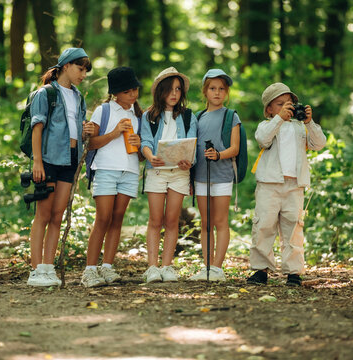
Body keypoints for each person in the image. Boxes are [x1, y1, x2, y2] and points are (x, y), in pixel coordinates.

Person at [27, 47, 95, 287]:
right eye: (80, 69)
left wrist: (86, 131)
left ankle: (48, 268)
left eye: (86, 71)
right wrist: (37, 161)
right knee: (43, 215)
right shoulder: (45, 94)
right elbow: (38, 128)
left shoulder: (78, 96)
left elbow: (76, 127)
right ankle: (35, 270)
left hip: (70, 160)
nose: (83, 75)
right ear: (65, 65)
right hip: (47, 160)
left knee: (57, 216)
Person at [247, 82, 326, 286]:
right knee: (263, 225)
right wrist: (278, 120)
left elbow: (319, 144)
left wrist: (309, 122)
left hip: (294, 185)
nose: (285, 108)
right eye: (279, 104)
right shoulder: (267, 125)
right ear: (269, 109)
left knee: (293, 228)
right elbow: (263, 140)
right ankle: (260, 270)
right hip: (269, 184)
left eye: (289, 104)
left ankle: (293, 272)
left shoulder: (301, 127)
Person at [81, 66, 143, 288]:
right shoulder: (104, 110)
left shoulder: (139, 115)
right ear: (116, 92)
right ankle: (89, 270)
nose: (133, 95)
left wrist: (140, 146)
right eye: (127, 92)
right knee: (103, 218)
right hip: (106, 169)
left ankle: (107, 267)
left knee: (117, 219)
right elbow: (91, 144)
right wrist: (115, 133)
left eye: (135, 89)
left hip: (130, 171)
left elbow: (143, 153)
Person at [140, 67, 198, 283]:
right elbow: (145, 141)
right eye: (170, 89)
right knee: (155, 220)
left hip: (179, 174)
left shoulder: (188, 116)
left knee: (172, 220)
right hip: (156, 171)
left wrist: (188, 161)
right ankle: (152, 267)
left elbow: (192, 144)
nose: (174, 94)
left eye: (178, 90)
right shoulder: (149, 116)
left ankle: (167, 266)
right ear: (160, 91)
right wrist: (149, 155)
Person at [189, 69, 241, 282]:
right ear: (205, 91)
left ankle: (218, 268)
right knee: (205, 222)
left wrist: (219, 155)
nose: (217, 93)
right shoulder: (197, 117)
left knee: (220, 221)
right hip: (201, 176)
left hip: (222, 176)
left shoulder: (231, 116)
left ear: (226, 92)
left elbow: (235, 148)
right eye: (212, 88)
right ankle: (207, 267)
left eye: (221, 89)